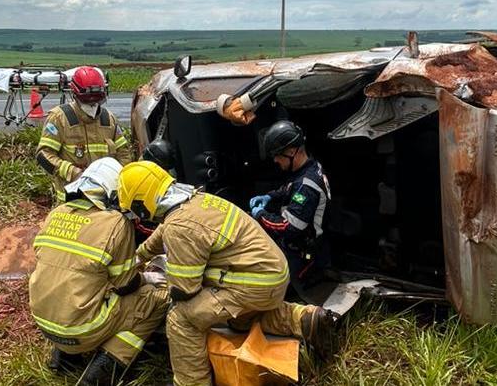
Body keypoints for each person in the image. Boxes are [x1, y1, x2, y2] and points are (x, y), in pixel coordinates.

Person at [116, 160, 337, 386]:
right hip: (271, 274)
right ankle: (305, 319)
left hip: (253, 283)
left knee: (182, 318)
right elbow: (162, 232)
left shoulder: (179, 227)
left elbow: (185, 290)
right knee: (239, 320)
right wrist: (139, 257)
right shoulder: (195, 201)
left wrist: (148, 278)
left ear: (141, 203)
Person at [28, 157, 169, 386]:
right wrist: (149, 277)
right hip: (83, 328)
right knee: (155, 300)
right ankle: (104, 370)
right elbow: (126, 286)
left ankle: (64, 359)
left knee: (78, 285)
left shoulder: (57, 212)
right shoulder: (114, 223)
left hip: (44, 321)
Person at [250, 120, 331, 292]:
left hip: (305, 257)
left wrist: (260, 215)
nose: (275, 159)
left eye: (277, 154)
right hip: (301, 245)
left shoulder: (307, 186)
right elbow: (288, 189)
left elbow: (289, 227)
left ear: (292, 151)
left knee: (269, 287)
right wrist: (268, 197)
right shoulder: (308, 168)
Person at [36, 66, 134, 204]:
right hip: (71, 200)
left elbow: (124, 154)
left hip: (104, 200)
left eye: (96, 102)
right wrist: (73, 173)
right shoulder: (60, 118)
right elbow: (43, 155)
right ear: (75, 95)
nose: (92, 106)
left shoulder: (108, 120)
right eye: (88, 102)